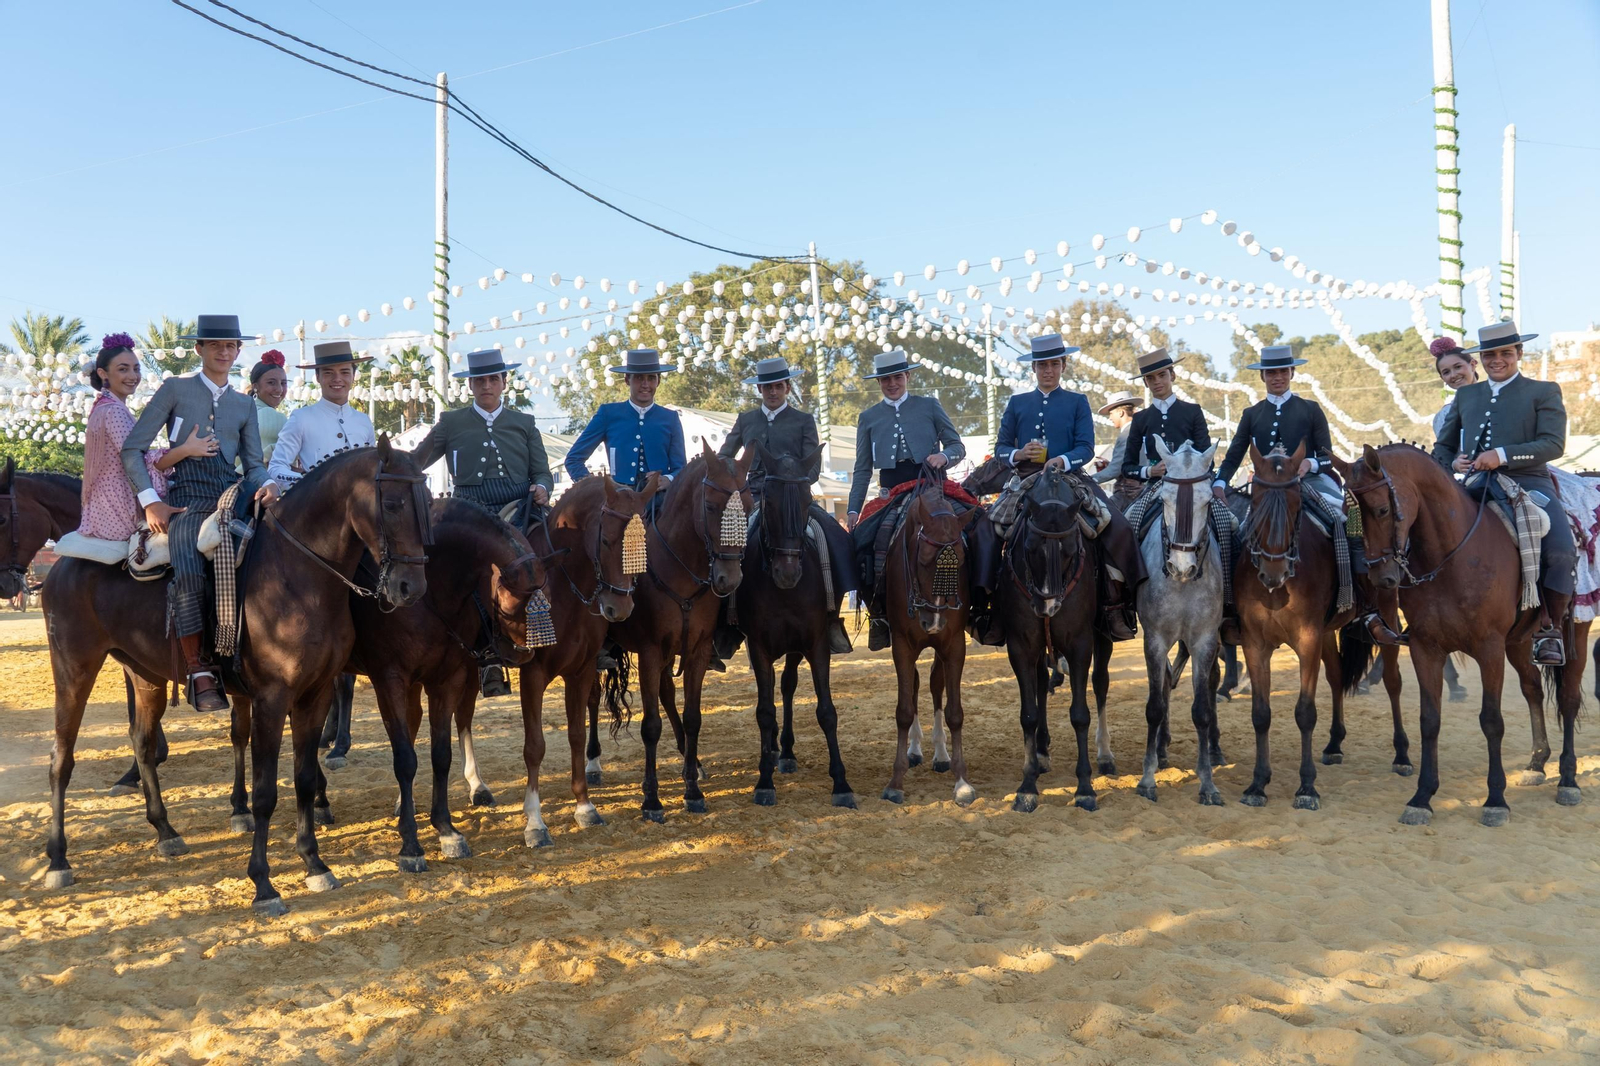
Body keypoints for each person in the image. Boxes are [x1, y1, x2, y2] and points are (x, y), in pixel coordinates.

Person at [121, 314, 278, 711]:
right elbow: (132, 450)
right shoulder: (175, 388)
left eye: (231, 346)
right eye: (215, 346)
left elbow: (253, 462)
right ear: (199, 349)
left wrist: (268, 482)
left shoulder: (245, 404)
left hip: (232, 492)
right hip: (187, 496)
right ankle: (198, 668)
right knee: (189, 570)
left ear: (239, 351)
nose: (224, 352)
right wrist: (149, 501)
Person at [1215, 344, 1403, 646]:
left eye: (1283, 371)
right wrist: (1220, 483)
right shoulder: (1252, 414)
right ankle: (1233, 610)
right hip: (1268, 489)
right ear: (1263, 376)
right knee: (1235, 532)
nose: (1277, 377)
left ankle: (1363, 608)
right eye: (1271, 372)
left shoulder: (1310, 409)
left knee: (1346, 519)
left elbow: (1327, 455)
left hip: (1311, 481)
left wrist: (1310, 462)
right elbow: (1235, 453)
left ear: (1292, 372)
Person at [1433, 321, 1574, 665]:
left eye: (1505, 353)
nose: (1498, 359)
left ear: (1519, 354)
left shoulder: (1543, 390)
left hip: (1529, 482)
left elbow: (1553, 444)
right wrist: (1455, 462)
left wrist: (1502, 455)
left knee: (1560, 551)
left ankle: (1549, 628)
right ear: (1482, 358)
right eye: (1491, 354)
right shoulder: (1466, 395)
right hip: (1475, 486)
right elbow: (1443, 448)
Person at [991, 333, 1147, 642]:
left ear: (1063, 365)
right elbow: (1000, 447)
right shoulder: (1017, 402)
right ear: (1033, 369)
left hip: (1071, 478)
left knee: (1118, 527)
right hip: (1024, 480)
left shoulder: (1077, 401)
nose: (1048, 370)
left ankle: (1117, 606)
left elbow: (1086, 448)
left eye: (1053, 364)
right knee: (985, 530)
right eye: (1042, 365)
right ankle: (987, 610)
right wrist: (1017, 454)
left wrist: (1062, 461)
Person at [714, 355, 856, 656]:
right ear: (760, 389)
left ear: (787, 387)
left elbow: (813, 468)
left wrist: (791, 475)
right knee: (728, 544)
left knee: (831, 536)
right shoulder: (746, 419)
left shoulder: (804, 420)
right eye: (767, 387)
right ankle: (726, 625)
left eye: (778, 386)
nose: (772, 392)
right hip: (753, 496)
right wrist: (734, 474)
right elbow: (726, 455)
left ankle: (831, 615)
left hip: (793, 496)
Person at [847, 349, 968, 650]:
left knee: (975, 529)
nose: (892, 383)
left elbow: (957, 446)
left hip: (931, 487)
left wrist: (944, 455)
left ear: (908, 376)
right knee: (863, 542)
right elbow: (862, 469)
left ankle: (978, 608)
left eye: (897, 377)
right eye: (885, 379)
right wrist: (852, 509)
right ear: (879, 383)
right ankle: (879, 616)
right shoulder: (868, 417)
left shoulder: (929, 405)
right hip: (891, 493)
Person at [1120, 346, 1239, 641]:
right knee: (1126, 526)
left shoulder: (1193, 411)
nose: (1157, 381)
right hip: (1157, 488)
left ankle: (1230, 600)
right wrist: (1150, 472)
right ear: (1145, 384)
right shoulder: (1141, 419)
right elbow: (1128, 466)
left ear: (1172, 375)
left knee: (1229, 524)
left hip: (1192, 487)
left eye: (1162, 374)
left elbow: (1205, 456)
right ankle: (1124, 601)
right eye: (1151, 378)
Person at [77, 333, 204, 541]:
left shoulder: (104, 406)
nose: (132, 376)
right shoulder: (113, 411)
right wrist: (186, 450)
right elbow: (137, 461)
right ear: (103, 373)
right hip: (119, 504)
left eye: (136, 369)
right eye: (123, 369)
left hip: (108, 500)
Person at [413, 348, 553, 520]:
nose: (486, 386)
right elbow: (414, 462)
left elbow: (542, 473)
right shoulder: (450, 422)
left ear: (504, 382)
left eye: (493, 379)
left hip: (520, 510)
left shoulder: (525, 423)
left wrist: (542, 487)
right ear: (470, 384)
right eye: (480, 380)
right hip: (466, 512)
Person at [565, 348, 686, 491]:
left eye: (651, 378)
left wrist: (668, 479)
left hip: (660, 501)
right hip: (618, 505)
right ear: (627, 380)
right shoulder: (608, 414)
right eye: (639, 378)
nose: (645, 384)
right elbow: (573, 460)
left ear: (658, 381)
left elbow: (681, 469)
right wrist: (597, 490)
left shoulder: (670, 418)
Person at [269, 342, 378, 488]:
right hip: (316, 507)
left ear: (353, 376)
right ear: (318, 377)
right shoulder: (301, 418)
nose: (337, 378)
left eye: (345, 372)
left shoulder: (363, 421)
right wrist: (313, 482)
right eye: (328, 372)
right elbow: (276, 469)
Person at [247, 350, 289, 463]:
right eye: (271, 382)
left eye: (283, 383)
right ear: (255, 386)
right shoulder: (271, 416)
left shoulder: (248, 411)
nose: (279, 389)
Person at [1093, 390, 1141, 486]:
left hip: (1130, 491)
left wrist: (1090, 480)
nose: (1110, 418)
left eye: (1111, 413)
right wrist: (1110, 464)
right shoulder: (1135, 429)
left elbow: (1116, 469)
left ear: (1120, 413)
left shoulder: (1127, 434)